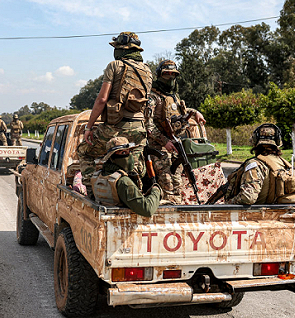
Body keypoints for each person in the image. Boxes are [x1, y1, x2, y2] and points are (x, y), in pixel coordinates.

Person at [77, 31, 153, 188]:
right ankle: (134, 193)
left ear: (123, 49)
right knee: (135, 164)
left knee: (84, 152)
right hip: (139, 129)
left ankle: (93, 191)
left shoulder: (115, 66)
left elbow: (102, 100)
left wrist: (89, 127)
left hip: (115, 127)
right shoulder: (148, 70)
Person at [145, 59, 206, 204]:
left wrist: (195, 112)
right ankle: (166, 213)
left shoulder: (174, 97)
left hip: (174, 147)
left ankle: (177, 211)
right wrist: (165, 142)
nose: (170, 78)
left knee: (178, 183)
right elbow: (148, 126)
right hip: (158, 148)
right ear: (159, 75)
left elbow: (180, 114)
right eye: (167, 74)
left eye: (173, 74)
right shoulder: (153, 98)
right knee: (167, 184)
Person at [225, 123, 295, 205]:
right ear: (278, 141)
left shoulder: (254, 164)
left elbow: (248, 198)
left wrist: (228, 203)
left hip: (256, 214)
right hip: (277, 213)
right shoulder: (284, 163)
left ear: (255, 141)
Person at [91, 137, 162, 217]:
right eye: (123, 153)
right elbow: (147, 210)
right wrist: (156, 190)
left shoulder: (98, 175)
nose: (129, 156)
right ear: (112, 157)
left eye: (130, 151)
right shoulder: (123, 181)